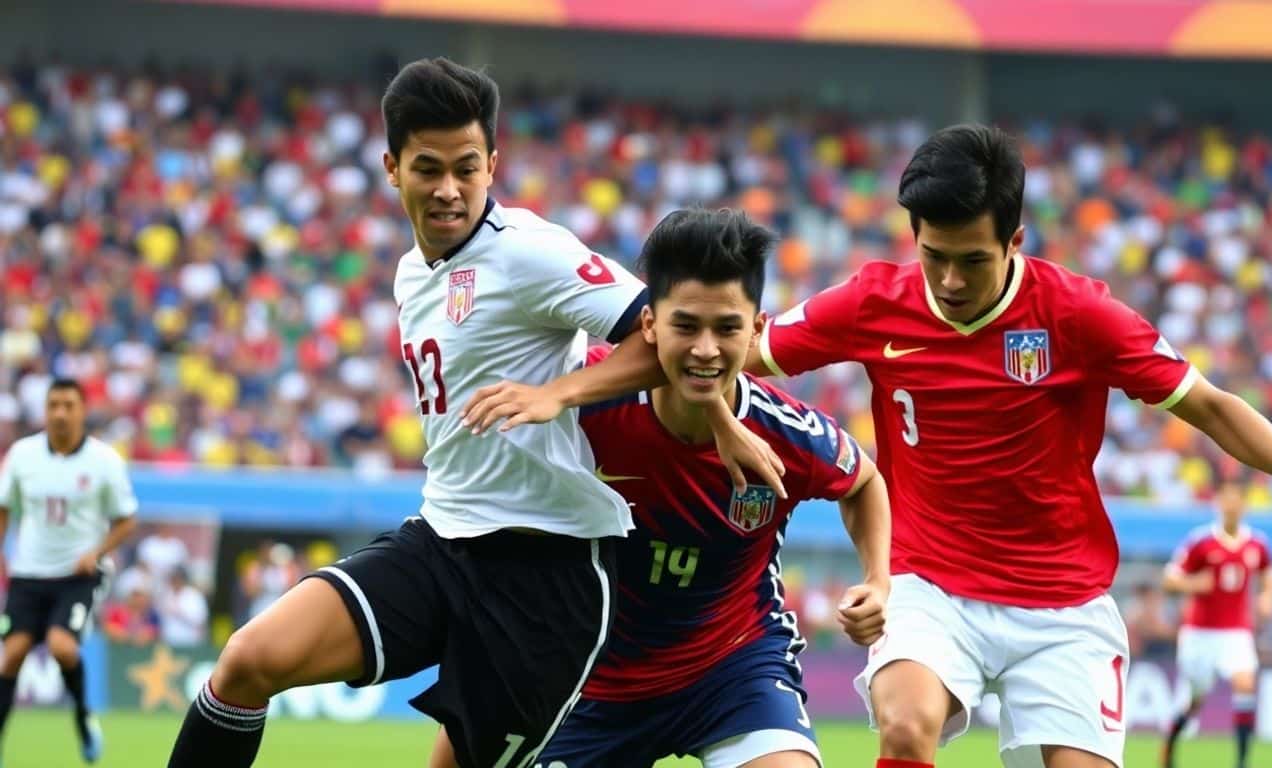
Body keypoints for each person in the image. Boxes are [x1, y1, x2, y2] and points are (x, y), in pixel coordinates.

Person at [462, 124, 1272, 768]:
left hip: (1063, 600)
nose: (947, 276)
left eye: (970, 259)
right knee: (902, 728)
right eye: (932, 253)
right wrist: (571, 391)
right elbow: (709, 354)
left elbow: (1203, 402)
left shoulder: (1079, 315)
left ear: (1013, 239)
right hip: (930, 582)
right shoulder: (873, 301)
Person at [165, 58, 778, 768]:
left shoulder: (529, 252)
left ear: (492, 163)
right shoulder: (409, 272)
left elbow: (667, 332)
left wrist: (562, 395)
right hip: (443, 541)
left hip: (548, 574)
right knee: (248, 660)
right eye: (428, 168)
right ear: (392, 168)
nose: (448, 189)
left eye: (466, 167)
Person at [435, 208, 890, 768]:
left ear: (756, 329)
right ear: (647, 324)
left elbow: (864, 481)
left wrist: (878, 579)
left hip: (733, 669)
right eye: (686, 327)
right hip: (590, 684)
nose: (705, 349)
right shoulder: (579, 407)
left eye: (727, 329)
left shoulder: (789, 435)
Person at [0, 379, 139, 765]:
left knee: (62, 647)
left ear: (82, 410)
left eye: (68, 405)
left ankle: (82, 717)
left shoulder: (104, 461)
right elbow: (4, 507)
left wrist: (96, 552)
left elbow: (127, 522)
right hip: (28, 574)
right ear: (45, 410)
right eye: (53, 405)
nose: (60, 412)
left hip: (78, 574)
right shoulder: (22, 456)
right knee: (10, 657)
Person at [1160, 481, 1272, 768]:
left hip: (1236, 632)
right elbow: (1169, 580)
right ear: (1218, 504)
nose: (1231, 506)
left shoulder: (1257, 543)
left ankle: (1241, 762)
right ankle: (1169, 745)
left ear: (1244, 506)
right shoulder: (1200, 541)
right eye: (1226, 501)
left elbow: (1269, 572)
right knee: (1195, 701)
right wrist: (1193, 583)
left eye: (1237, 501)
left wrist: (1267, 596)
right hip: (1200, 634)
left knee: (1245, 683)